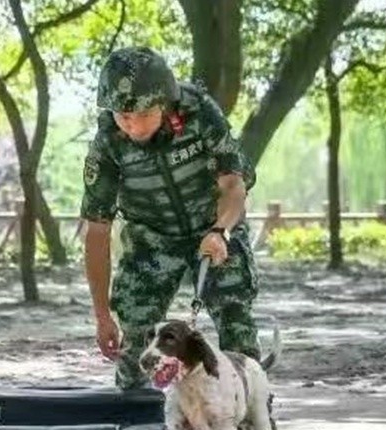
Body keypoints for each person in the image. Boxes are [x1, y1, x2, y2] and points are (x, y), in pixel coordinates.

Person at [79, 46, 262, 391]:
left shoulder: (199, 111)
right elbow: (98, 231)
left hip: (214, 227)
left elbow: (234, 184)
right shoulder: (107, 144)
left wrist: (220, 231)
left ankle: (252, 419)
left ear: (164, 103)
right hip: (152, 240)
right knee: (135, 343)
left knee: (236, 324)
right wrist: (102, 316)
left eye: (141, 113)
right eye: (122, 114)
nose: (130, 123)